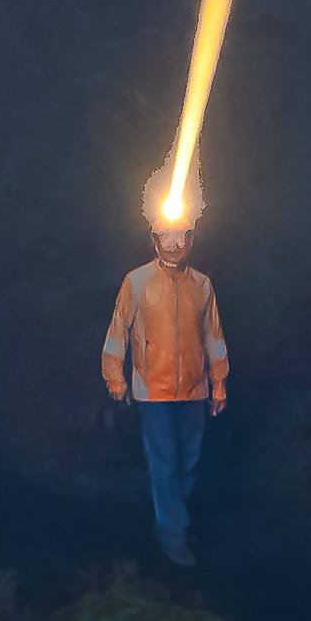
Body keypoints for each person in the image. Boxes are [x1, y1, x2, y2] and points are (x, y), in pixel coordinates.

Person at [99, 212, 228, 567]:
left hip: (194, 388)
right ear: (153, 238)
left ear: (191, 238)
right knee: (165, 462)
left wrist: (219, 382)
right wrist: (115, 374)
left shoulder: (201, 285)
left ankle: (174, 516)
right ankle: (173, 535)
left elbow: (212, 335)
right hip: (152, 390)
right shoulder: (136, 282)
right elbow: (118, 329)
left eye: (182, 235)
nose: (175, 243)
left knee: (189, 460)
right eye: (167, 235)